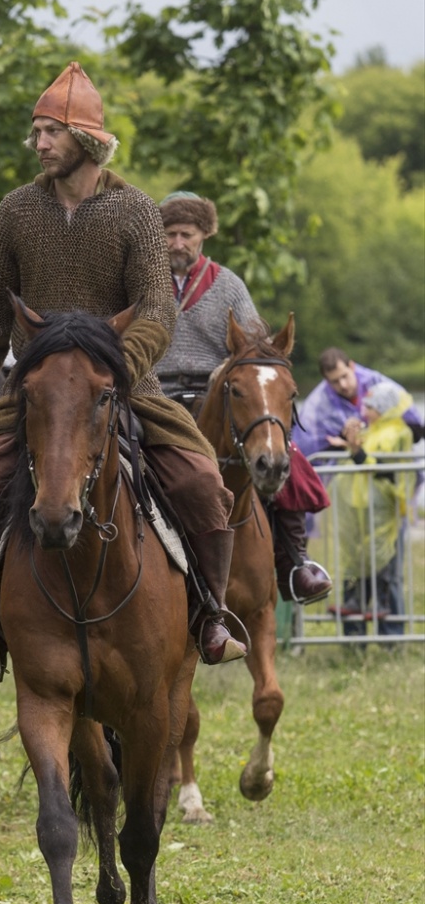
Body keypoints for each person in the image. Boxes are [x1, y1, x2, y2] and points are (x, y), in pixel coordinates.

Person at [0, 61, 249, 689]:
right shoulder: (16, 211)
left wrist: (115, 371)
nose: (39, 143)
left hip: (124, 388)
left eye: (49, 132)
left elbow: (157, 311)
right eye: (36, 132)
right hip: (34, 393)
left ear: (85, 138)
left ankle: (211, 616)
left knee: (201, 485)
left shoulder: (134, 211)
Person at [155, 192, 332, 606]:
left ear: (204, 235)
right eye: (170, 234)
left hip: (219, 391)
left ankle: (294, 561)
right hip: (155, 393)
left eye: (187, 234)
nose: (178, 242)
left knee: (281, 453)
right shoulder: (142, 280)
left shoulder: (228, 284)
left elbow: (254, 346)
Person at [336, 381, 417, 638]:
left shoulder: (398, 432)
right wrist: (348, 440)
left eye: (370, 406)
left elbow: (383, 468)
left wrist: (358, 452)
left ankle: (391, 638)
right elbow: (357, 461)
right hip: (360, 512)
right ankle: (353, 637)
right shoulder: (370, 430)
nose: (365, 409)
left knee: (386, 576)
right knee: (357, 570)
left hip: (384, 516)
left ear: (385, 408)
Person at [293, 347, 424, 456]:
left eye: (344, 376)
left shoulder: (378, 383)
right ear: (325, 380)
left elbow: (416, 428)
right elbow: (306, 452)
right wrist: (345, 438)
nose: (343, 385)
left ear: (352, 366)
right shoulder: (316, 406)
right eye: (335, 381)